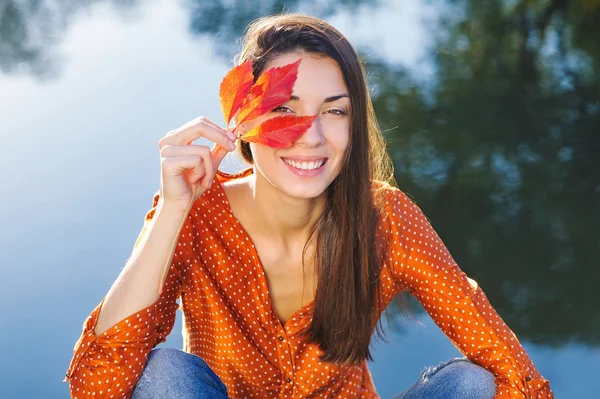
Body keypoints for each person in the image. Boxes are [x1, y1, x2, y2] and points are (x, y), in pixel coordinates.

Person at [64, 12, 554, 399]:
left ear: (354, 124)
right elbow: (101, 385)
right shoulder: (194, 211)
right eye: (284, 110)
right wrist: (172, 210)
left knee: (475, 384)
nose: (311, 136)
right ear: (242, 125)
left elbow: (507, 368)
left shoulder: (386, 220)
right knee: (163, 371)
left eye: (334, 111)